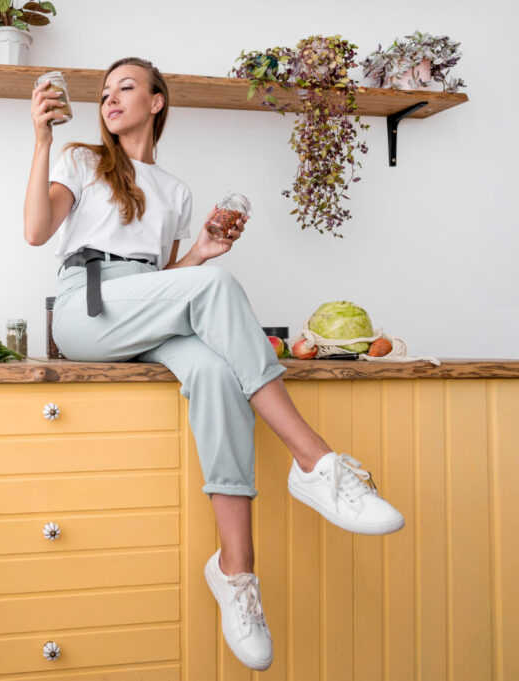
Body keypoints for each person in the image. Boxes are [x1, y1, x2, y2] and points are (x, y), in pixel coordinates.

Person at [23, 56, 405, 672]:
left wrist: (200, 250)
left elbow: (167, 285)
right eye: (104, 92)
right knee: (218, 288)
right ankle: (316, 461)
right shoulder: (80, 160)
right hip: (86, 308)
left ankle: (235, 572)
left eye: (127, 88)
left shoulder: (175, 191)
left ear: (157, 102)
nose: (111, 99)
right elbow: (36, 232)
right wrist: (41, 140)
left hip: (145, 307)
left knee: (214, 371)